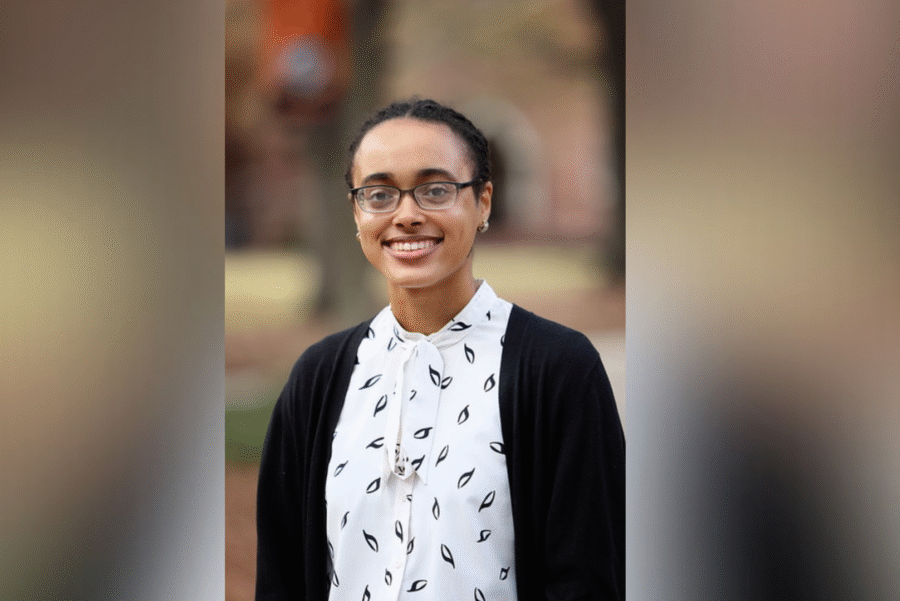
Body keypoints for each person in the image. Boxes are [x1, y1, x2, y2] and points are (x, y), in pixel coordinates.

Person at [255, 98, 624, 600]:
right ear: (356, 212)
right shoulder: (319, 379)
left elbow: (589, 578)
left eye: (435, 190)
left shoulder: (559, 370)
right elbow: (281, 579)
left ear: (483, 202)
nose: (406, 215)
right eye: (379, 194)